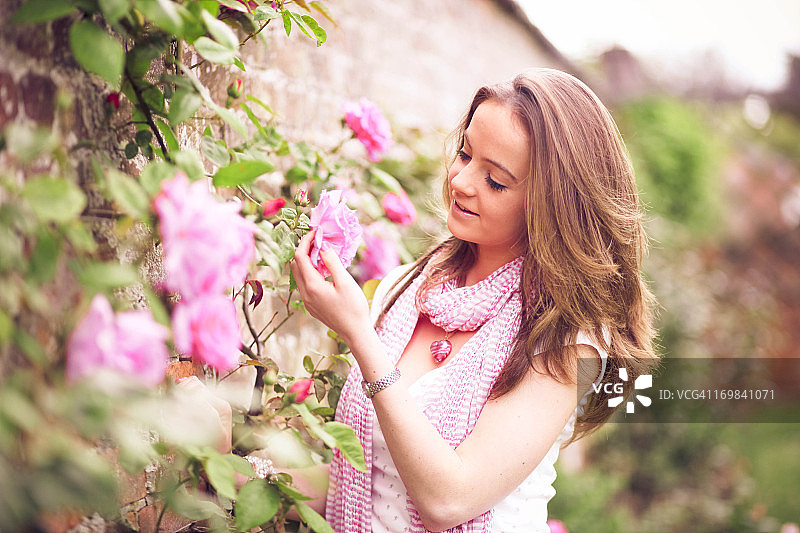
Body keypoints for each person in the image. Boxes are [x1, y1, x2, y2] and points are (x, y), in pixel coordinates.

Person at [288, 67, 657, 533]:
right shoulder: (405, 291)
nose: (462, 182)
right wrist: (240, 478)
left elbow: (448, 498)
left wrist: (360, 337)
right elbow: (367, 481)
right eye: (464, 154)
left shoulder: (564, 339)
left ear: (553, 205)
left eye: (496, 181)